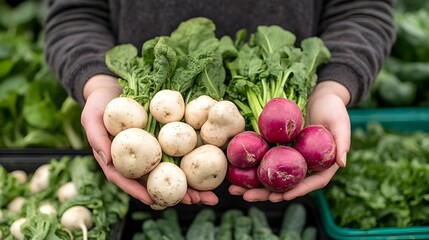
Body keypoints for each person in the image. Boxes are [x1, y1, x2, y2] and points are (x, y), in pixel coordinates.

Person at [44, 0, 396, 206]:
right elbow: (76, 12)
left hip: (277, 166)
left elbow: (361, 8)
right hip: (146, 176)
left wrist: (331, 88)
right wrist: (99, 83)